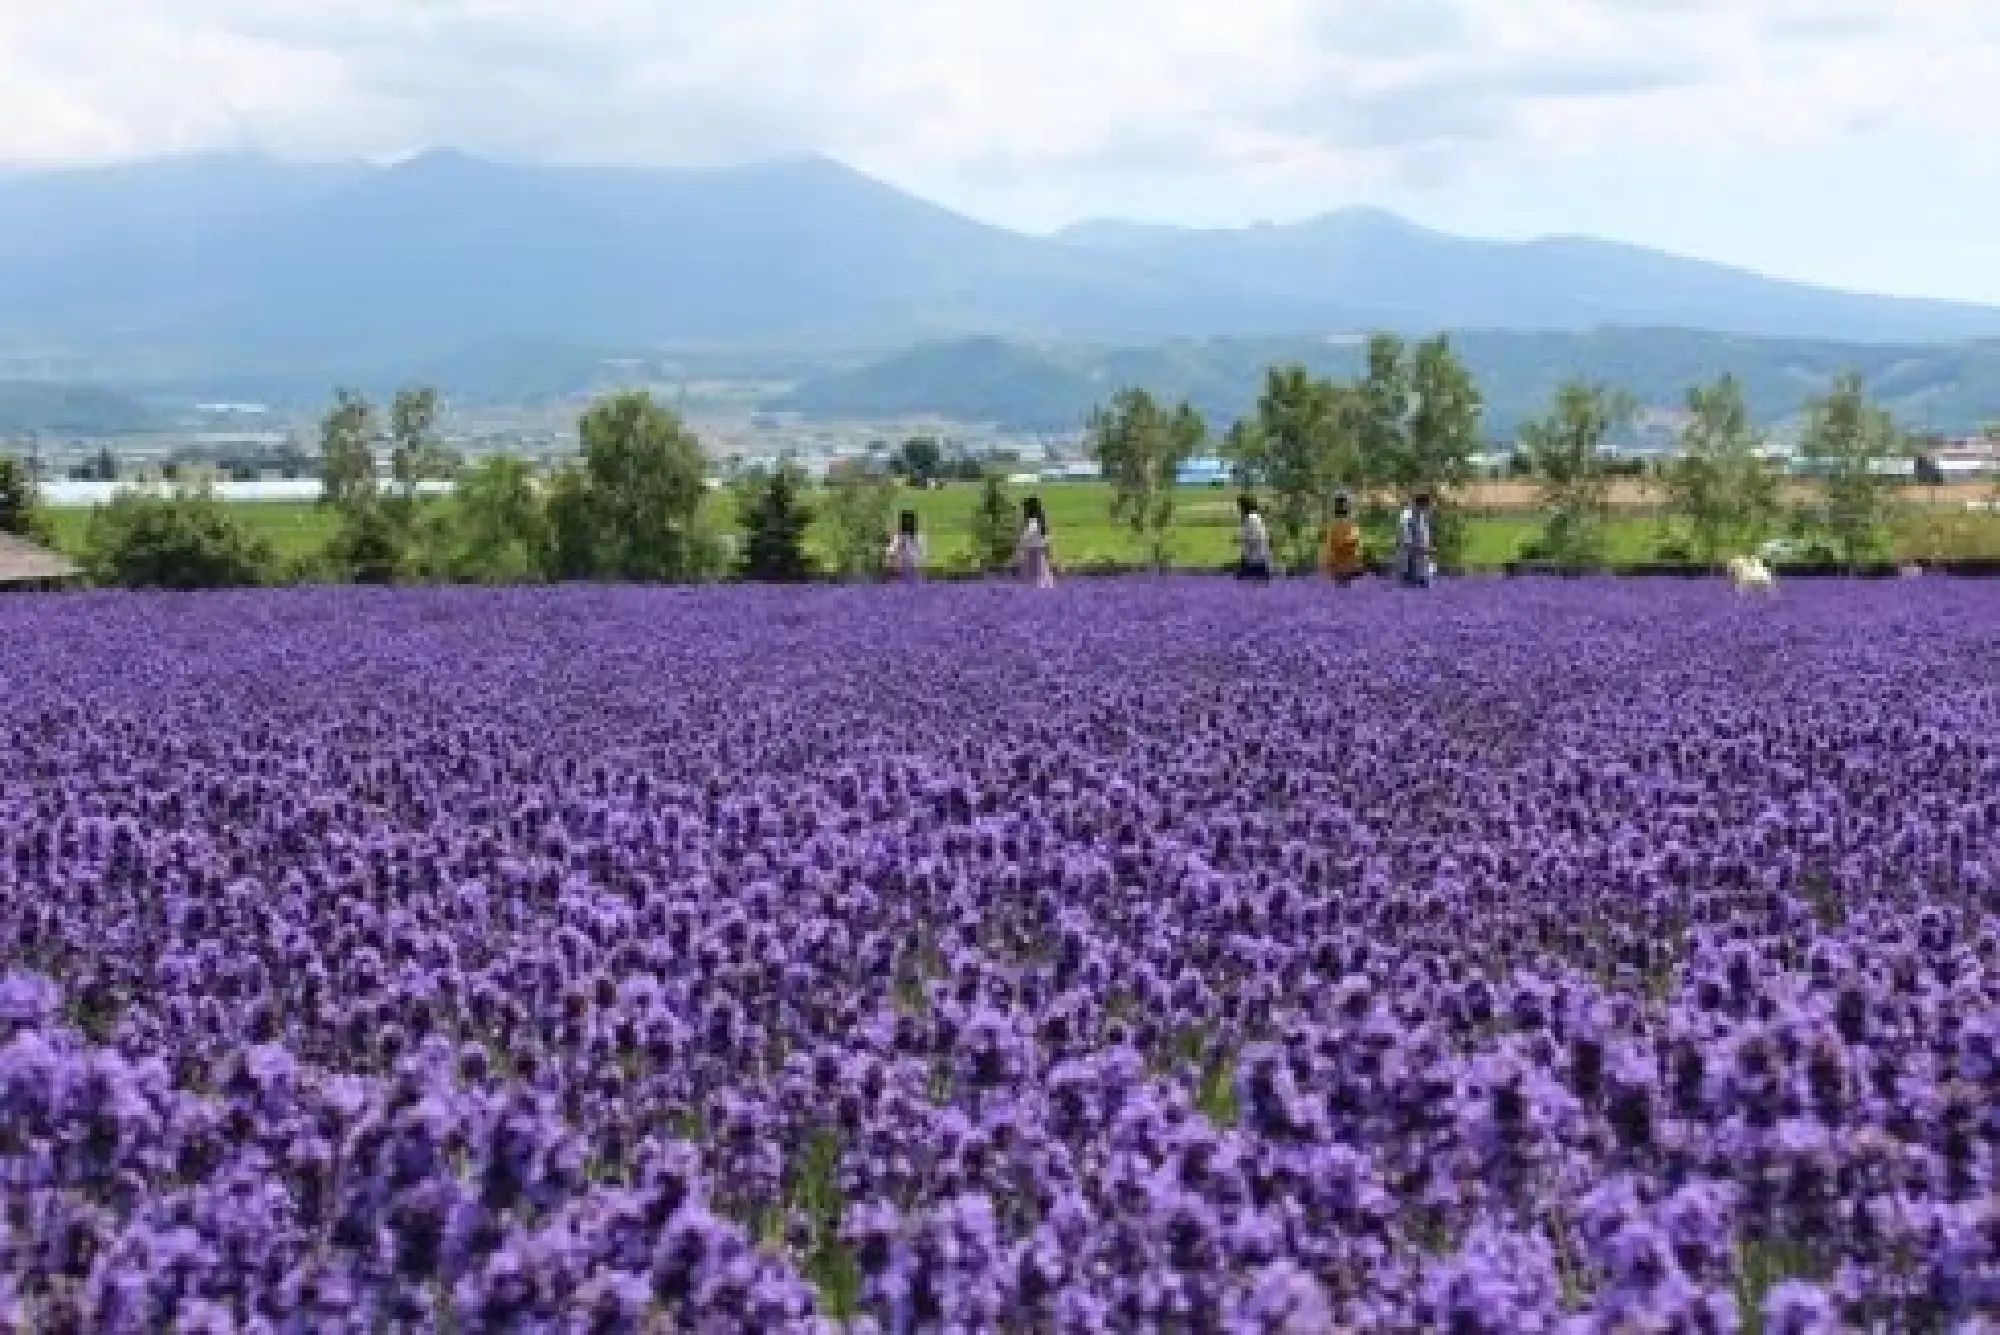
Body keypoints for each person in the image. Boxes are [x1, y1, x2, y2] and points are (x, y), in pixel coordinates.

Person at [1321, 491, 1364, 585]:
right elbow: (1331, 547)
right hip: (1339, 567)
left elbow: (1356, 545)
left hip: (1347, 566)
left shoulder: (1351, 526)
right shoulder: (1335, 527)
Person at [1397, 492, 1436, 588]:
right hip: (1410, 555)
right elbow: (1406, 536)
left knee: (1425, 581)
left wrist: (1429, 546)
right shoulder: (1407, 515)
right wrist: (1420, 548)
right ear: (1419, 504)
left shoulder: (1422, 516)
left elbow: (1425, 534)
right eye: (1426, 506)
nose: (1427, 509)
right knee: (1409, 582)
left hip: (1422, 556)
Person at [1018, 496, 1056, 588]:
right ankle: (1048, 587)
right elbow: (1046, 535)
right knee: (1043, 570)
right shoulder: (1040, 519)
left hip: (1034, 549)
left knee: (1036, 572)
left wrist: (1021, 542)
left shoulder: (1033, 520)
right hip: (1040, 547)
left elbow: (1029, 533)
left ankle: (1040, 588)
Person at [1236, 494, 1273, 582]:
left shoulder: (1250, 519)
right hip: (1263, 557)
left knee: (1245, 582)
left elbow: (1251, 539)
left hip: (1255, 559)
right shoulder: (1256, 517)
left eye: (1240, 507)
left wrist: (1244, 554)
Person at [884, 509, 925, 583]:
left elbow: (920, 558)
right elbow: (890, 554)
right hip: (900, 573)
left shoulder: (919, 538)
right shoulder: (898, 538)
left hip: (913, 572)